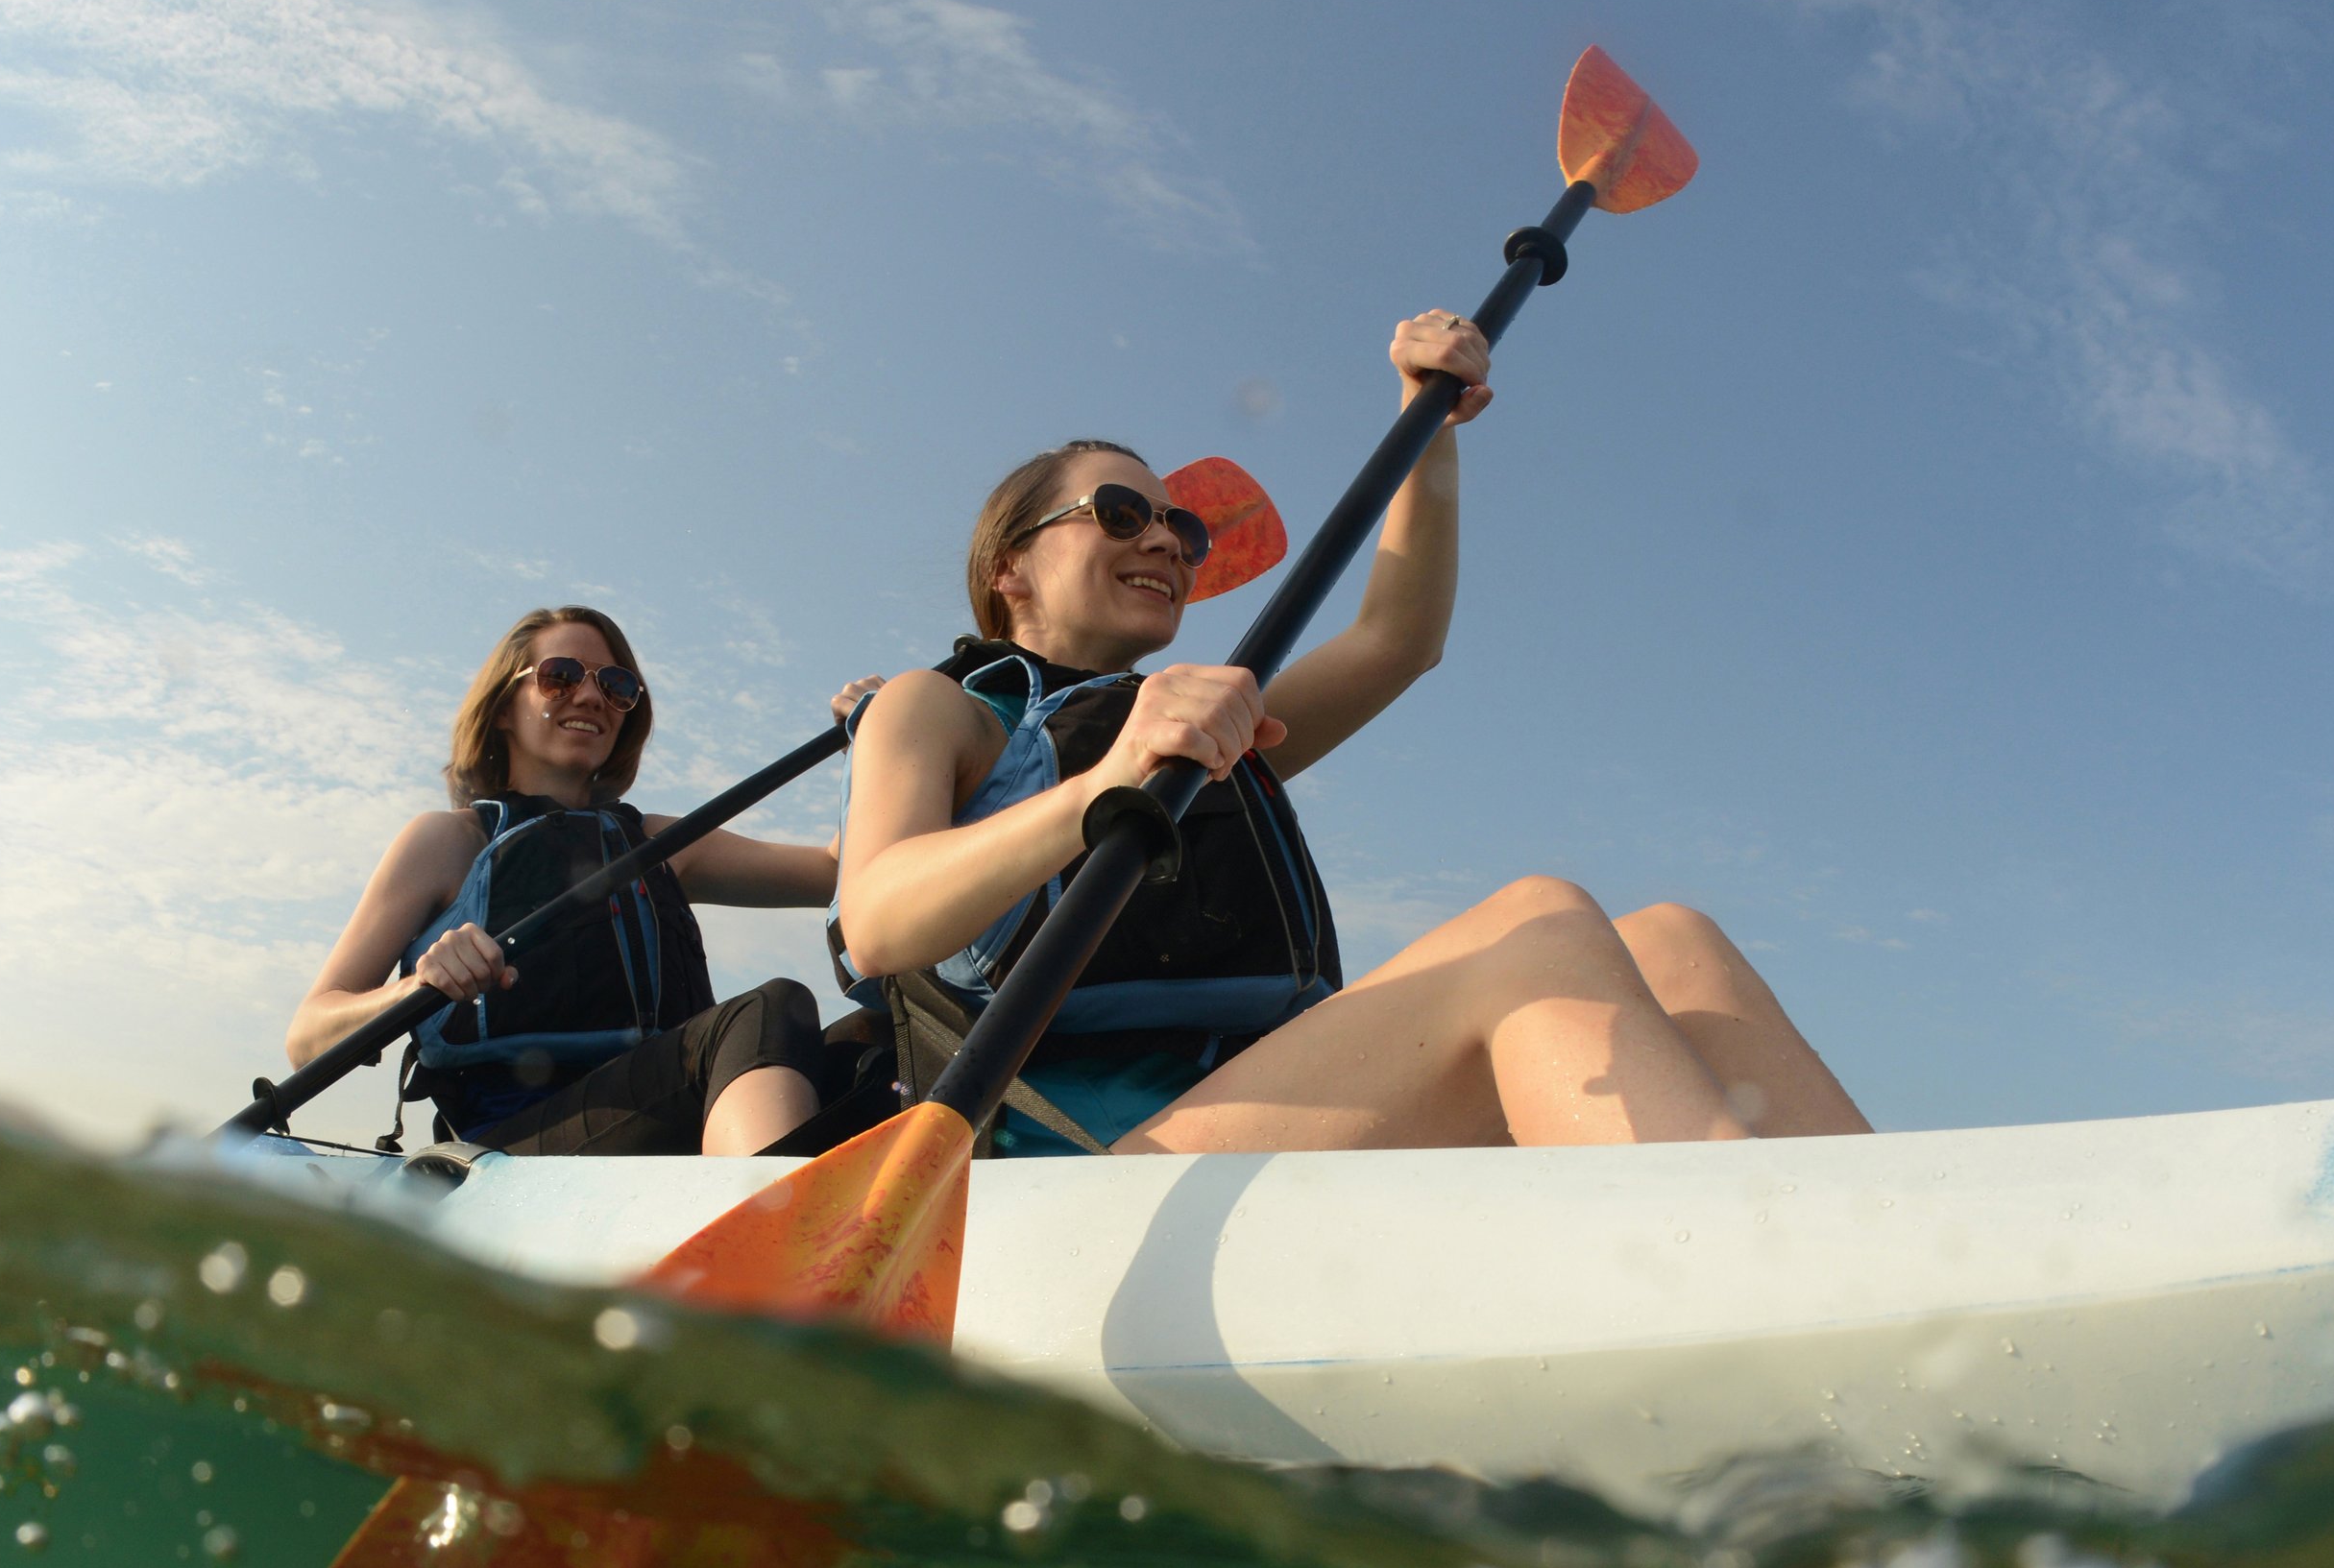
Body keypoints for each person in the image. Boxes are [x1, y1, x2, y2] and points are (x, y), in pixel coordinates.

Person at [829, 313, 1869, 1155]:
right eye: (1117, 512)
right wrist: (1108, 785)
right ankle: (1766, 1289)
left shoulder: (1205, 725)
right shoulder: (943, 708)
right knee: (1538, 928)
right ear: (1009, 566)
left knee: (1672, 941)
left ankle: (1883, 1265)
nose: (1164, 539)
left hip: (1266, 1109)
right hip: (1081, 1171)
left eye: (1181, 529)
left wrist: (1430, 430)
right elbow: (876, 920)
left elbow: (1394, 640)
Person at [290, 606, 841, 1156]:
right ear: (504, 706)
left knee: (869, 1048)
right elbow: (308, 1036)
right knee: (771, 1010)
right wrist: (420, 988)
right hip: (511, 1152)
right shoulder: (448, 841)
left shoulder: (660, 842)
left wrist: (875, 740)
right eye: (560, 676)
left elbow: (836, 872)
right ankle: (763, 1229)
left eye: (617, 685)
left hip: (668, 1107)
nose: (590, 697)